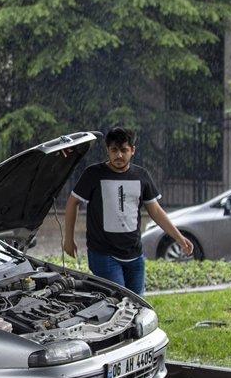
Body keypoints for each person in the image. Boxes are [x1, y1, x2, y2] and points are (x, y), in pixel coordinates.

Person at [62, 126, 192, 296]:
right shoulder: (93, 174)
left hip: (135, 255)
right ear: (107, 150)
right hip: (103, 254)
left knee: (138, 304)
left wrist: (179, 238)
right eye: (114, 150)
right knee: (119, 300)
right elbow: (73, 203)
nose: (119, 155)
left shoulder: (141, 175)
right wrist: (68, 239)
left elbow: (156, 211)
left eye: (124, 150)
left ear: (133, 151)